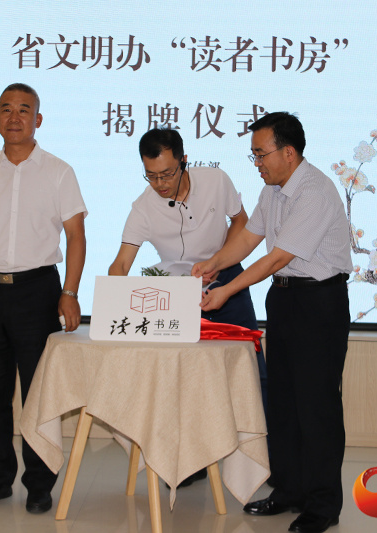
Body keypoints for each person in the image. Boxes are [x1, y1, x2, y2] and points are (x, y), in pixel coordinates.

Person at [193, 112, 351, 533]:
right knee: (282, 402)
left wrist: (227, 290)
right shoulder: (272, 190)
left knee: (315, 406)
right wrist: (214, 264)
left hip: (319, 303)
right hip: (283, 301)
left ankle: (322, 505)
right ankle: (289, 490)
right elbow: (248, 239)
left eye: (261, 154)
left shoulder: (315, 191)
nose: (257, 162)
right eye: (254, 155)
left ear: (289, 152)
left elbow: (278, 257)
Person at [0, 83, 87, 513]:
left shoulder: (59, 171)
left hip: (38, 291)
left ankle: (40, 483)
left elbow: (76, 235)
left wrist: (70, 292)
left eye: (24, 110)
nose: (14, 117)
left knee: (37, 393)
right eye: (6, 109)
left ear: (37, 120)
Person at [109, 127, 267, 488]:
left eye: (167, 173)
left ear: (184, 160)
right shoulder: (143, 207)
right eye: (151, 176)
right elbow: (121, 263)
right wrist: (112, 299)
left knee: (251, 370)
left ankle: (261, 458)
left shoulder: (215, 180)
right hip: (180, 295)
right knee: (187, 381)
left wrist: (219, 261)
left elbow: (241, 222)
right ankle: (191, 462)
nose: (160, 184)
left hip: (227, 280)